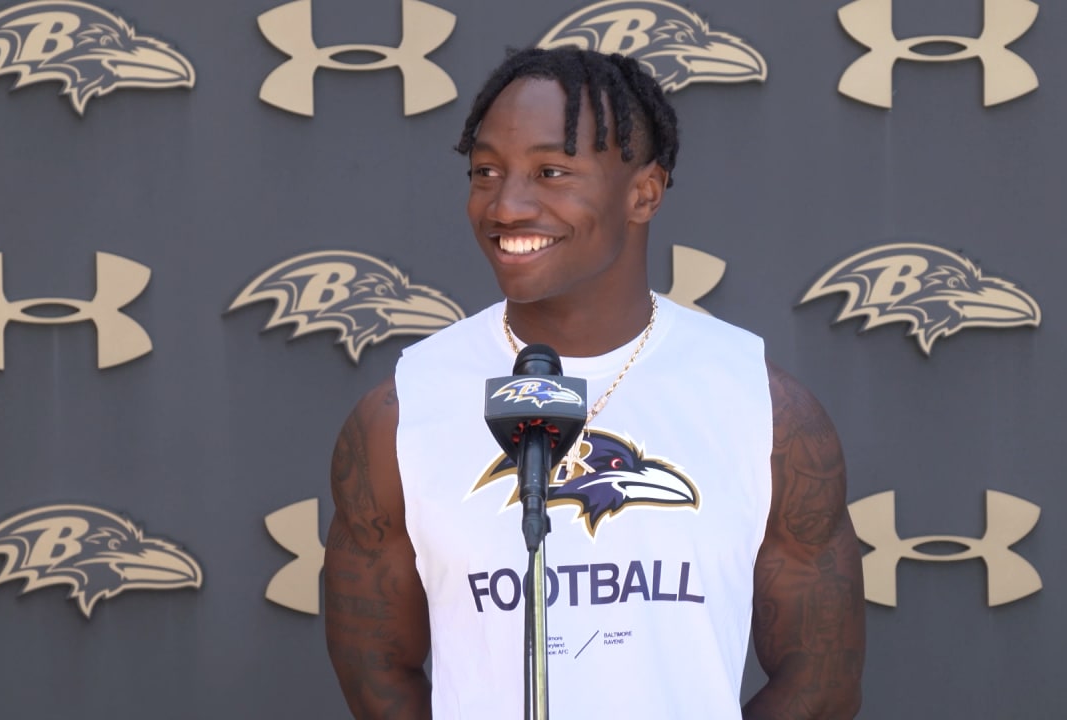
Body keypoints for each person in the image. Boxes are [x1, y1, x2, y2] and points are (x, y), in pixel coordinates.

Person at [324, 46, 865, 719]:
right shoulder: (403, 413)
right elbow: (377, 671)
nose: (507, 205)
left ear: (644, 193)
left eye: (551, 172)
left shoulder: (764, 409)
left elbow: (823, 682)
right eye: (485, 171)